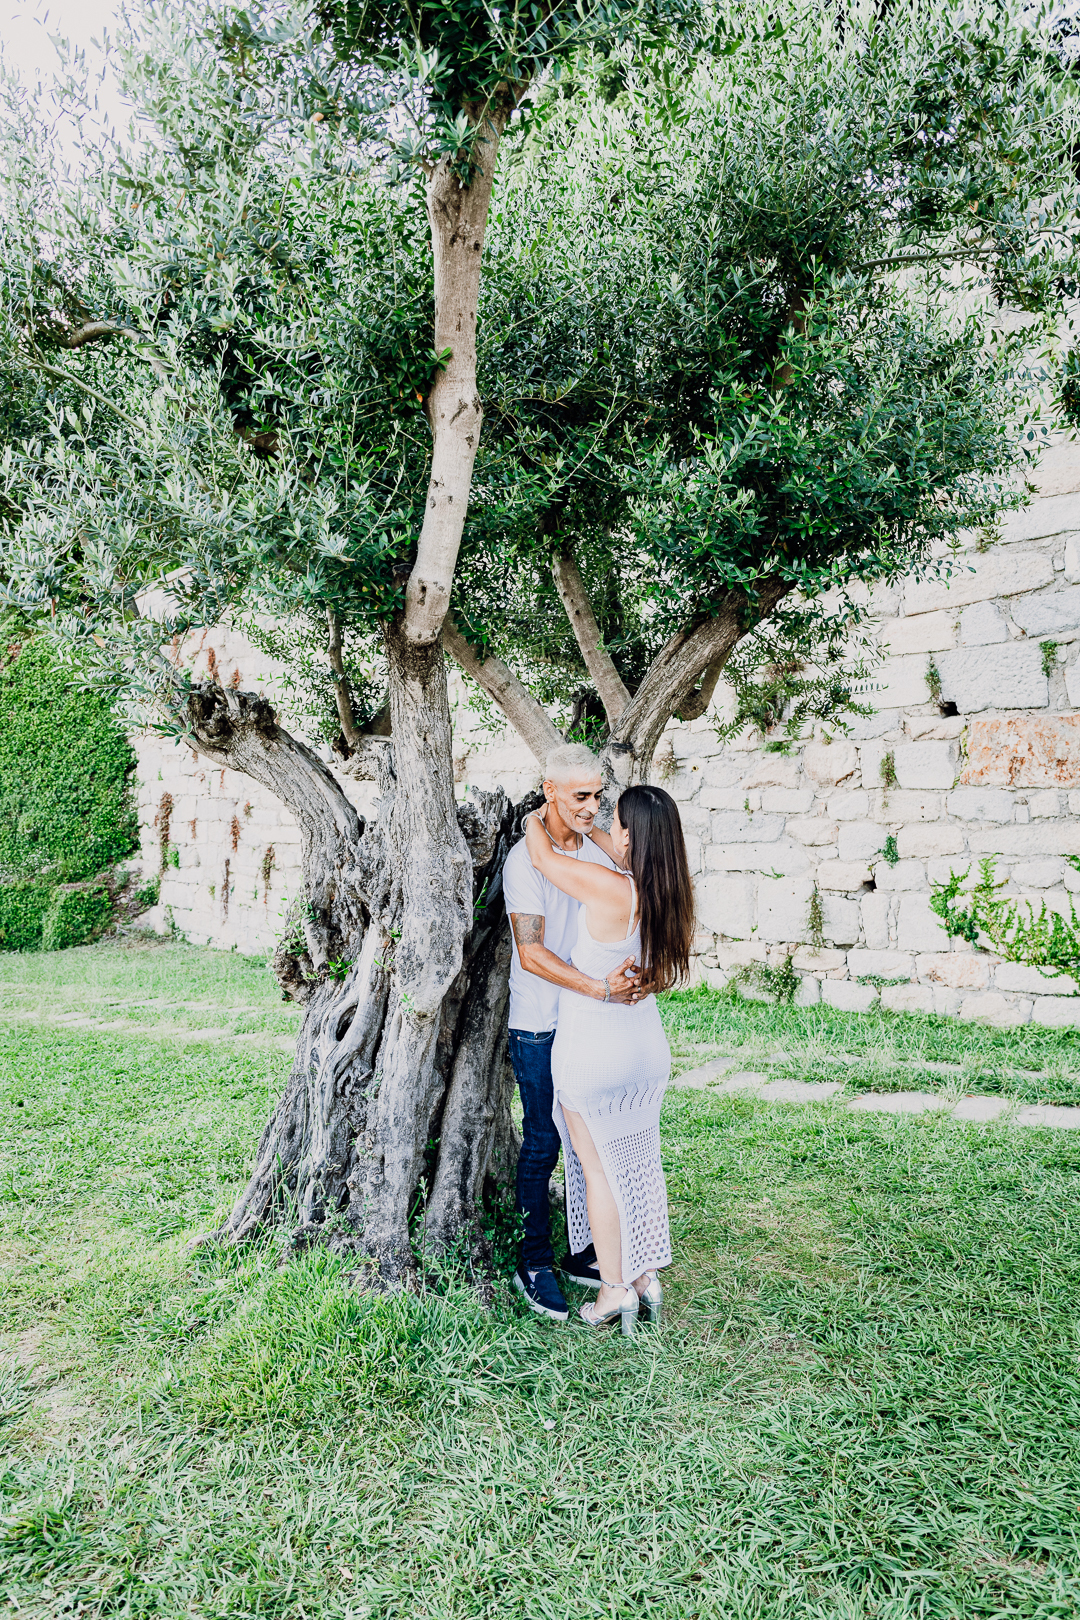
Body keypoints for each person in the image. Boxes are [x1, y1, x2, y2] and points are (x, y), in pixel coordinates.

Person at [524, 782, 694, 1335]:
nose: (604, 827)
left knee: (599, 1172)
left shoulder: (609, 886)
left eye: (613, 821)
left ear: (629, 835)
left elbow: (544, 855)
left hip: (594, 1051)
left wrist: (540, 810)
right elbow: (662, 971)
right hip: (644, 1049)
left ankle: (613, 1289)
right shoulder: (672, 892)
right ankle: (645, 1276)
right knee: (637, 1167)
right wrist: (600, 829)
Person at [502, 743, 645, 1321]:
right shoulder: (522, 861)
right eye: (580, 795)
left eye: (597, 795)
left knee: (595, 1142)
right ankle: (532, 1258)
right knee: (544, 1140)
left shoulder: (597, 853)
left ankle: (589, 1252)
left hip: (589, 1025)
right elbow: (531, 954)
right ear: (550, 789)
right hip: (540, 1023)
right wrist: (600, 988)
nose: (591, 807)